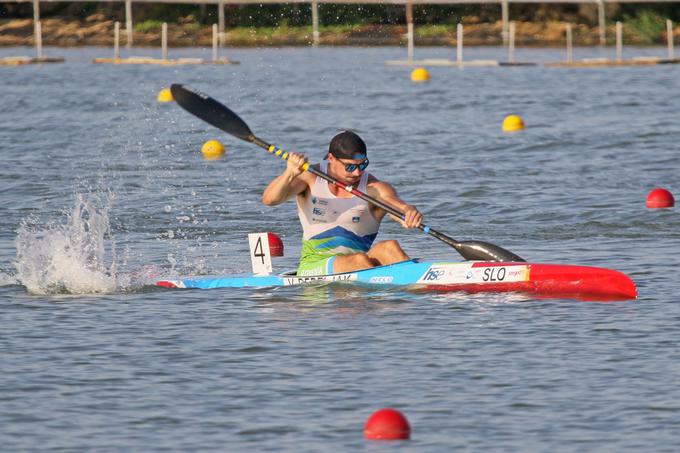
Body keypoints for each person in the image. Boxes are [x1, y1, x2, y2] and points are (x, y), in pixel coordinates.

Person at [262, 130, 423, 276]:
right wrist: (289, 174)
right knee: (358, 261)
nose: (357, 172)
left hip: (359, 262)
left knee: (389, 247)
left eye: (363, 165)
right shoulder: (310, 178)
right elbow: (269, 200)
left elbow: (393, 203)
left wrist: (407, 212)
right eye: (350, 166)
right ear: (331, 158)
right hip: (314, 265)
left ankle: (418, 292)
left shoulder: (374, 187)